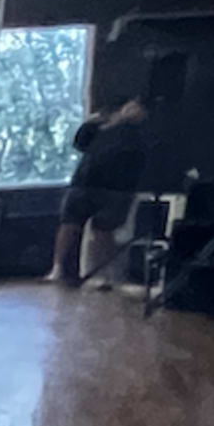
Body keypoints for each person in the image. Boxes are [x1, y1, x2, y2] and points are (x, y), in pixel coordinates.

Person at [50, 94, 148, 289]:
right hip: (85, 182)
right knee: (69, 224)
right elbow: (80, 143)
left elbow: (136, 153)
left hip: (115, 188)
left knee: (104, 231)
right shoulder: (101, 125)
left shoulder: (136, 133)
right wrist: (97, 122)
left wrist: (125, 124)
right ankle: (58, 268)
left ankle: (105, 274)